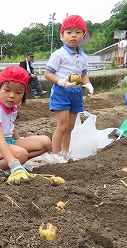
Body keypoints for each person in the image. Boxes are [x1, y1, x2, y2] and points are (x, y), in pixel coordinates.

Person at [0, 66, 52, 184]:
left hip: (8, 142)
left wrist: (19, 142)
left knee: (46, 142)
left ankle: (12, 163)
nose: (12, 95)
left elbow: (10, 126)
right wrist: (16, 165)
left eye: (18, 92)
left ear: (24, 94)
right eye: (7, 90)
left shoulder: (13, 108)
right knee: (22, 154)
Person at [44, 15, 94, 163]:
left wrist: (88, 84)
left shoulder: (83, 55)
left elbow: (84, 75)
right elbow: (48, 74)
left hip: (76, 92)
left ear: (83, 36)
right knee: (63, 125)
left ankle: (66, 152)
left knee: (71, 126)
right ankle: (55, 154)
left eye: (78, 32)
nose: (73, 35)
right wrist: (62, 82)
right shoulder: (59, 54)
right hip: (61, 92)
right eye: (69, 32)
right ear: (62, 36)